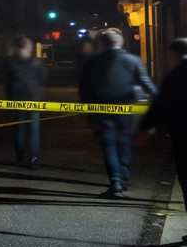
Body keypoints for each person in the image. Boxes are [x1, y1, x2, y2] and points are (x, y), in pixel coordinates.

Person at [79, 28, 157, 197]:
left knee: (109, 147)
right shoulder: (134, 60)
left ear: (102, 44)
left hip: (101, 113)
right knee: (124, 144)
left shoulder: (93, 61)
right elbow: (146, 84)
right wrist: (163, 100)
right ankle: (124, 177)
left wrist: (86, 108)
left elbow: (84, 87)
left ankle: (116, 183)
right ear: (120, 43)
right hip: (127, 112)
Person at [139, 37, 187, 218]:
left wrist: (145, 128)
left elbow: (161, 106)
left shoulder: (175, 76)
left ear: (175, 53)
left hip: (183, 136)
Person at [4, 36, 48, 169]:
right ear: (30, 48)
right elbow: (43, 79)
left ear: (18, 47)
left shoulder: (10, 61)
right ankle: (33, 157)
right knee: (34, 130)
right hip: (34, 99)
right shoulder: (37, 62)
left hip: (17, 99)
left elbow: (6, 80)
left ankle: (20, 156)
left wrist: (9, 97)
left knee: (19, 128)